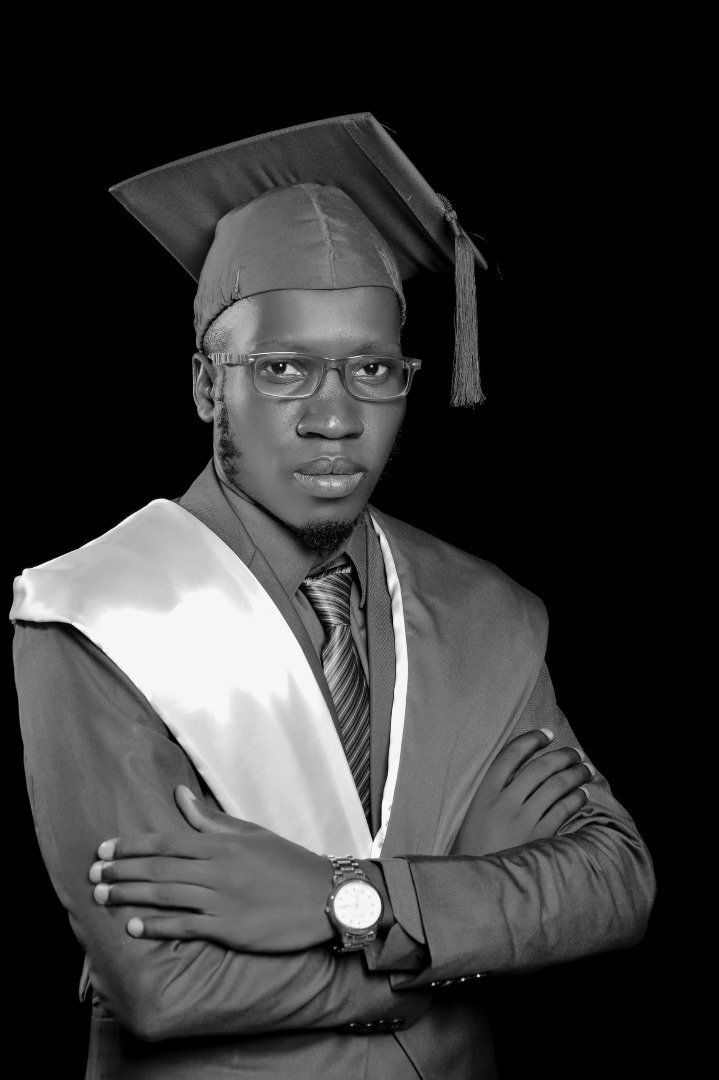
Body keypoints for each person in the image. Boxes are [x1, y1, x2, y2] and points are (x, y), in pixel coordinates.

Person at [10, 113, 655, 1080]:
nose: (334, 416)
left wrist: (346, 899)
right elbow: (166, 985)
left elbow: (610, 882)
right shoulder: (100, 612)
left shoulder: (484, 610)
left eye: (372, 369)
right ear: (206, 386)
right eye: (282, 368)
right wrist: (461, 929)